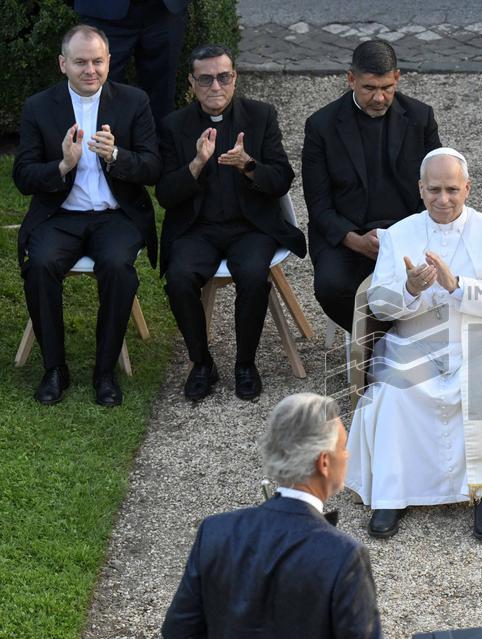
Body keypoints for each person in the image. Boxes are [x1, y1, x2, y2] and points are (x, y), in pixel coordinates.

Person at [162, 393, 423, 639]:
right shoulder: (342, 556)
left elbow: (178, 632)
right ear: (324, 462)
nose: (348, 455)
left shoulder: (216, 532)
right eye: (343, 446)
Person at [346, 148, 482, 540]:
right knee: (392, 391)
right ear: (420, 190)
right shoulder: (399, 234)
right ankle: (392, 493)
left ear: (467, 188)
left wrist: (458, 287)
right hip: (415, 338)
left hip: (480, 335)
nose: (443, 199)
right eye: (434, 189)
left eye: (452, 189)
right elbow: (380, 305)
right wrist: (409, 288)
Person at [13, 24, 160, 407]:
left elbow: (153, 167)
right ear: (63, 64)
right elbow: (23, 177)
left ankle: (105, 371)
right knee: (41, 263)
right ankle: (55, 368)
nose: (90, 69)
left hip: (116, 216)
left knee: (116, 266)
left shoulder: (133, 101)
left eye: (97, 61)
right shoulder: (38, 107)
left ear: (109, 62)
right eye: (80, 62)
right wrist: (62, 165)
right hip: (59, 215)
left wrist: (116, 157)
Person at [156, 45, 306, 401]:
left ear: (234, 78)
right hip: (198, 229)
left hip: (250, 227)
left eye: (223, 77)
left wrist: (248, 164)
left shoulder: (260, 116)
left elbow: (283, 179)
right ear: (192, 83)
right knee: (178, 278)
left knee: (254, 276)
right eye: (205, 79)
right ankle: (202, 363)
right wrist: (195, 164)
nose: (215, 86)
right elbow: (164, 194)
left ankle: (245, 364)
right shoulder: (174, 126)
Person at [303, 39, 441, 333]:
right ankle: (386, 343)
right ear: (351, 79)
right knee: (330, 287)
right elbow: (318, 206)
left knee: (443, 281)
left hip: (409, 230)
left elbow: (436, 186)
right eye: (369, 88)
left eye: (387, 88)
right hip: (349, 236)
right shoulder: (321, 126)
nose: (379, 98)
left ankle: (392, 344)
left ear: (397, 78)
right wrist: (356, 241)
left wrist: (404, 237)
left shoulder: (421, 117)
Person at [74, 0, 190, 128]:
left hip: (165, 10)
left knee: (162, 94)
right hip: (102, 10)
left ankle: (157, 147)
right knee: (97, 91)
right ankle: (92, 145)